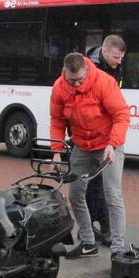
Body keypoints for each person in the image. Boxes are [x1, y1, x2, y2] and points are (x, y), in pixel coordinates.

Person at [50, 52, 130, 258]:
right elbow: (57, 121)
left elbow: (121, 115)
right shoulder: (59, 87)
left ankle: (118, 249)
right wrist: (56, 152)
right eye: (71, 80)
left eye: (79, 80)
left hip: (108, 146)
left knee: (112, 195)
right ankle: (87, 242)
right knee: (75, 194)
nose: (75, 84)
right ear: (65, 72)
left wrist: (113, 144)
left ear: (86, 69)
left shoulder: (104, 82)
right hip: (82, 146)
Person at [84, 35, 126, 246]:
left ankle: (101, 228)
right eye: (117, 57)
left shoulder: (114, 65)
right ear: (105, 51)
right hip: (92, 134)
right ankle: (94, 230)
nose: (119, 62)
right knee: (92, 185)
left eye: (121, 58)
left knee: (100, 184)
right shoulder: (91, 69)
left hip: (106, 134)